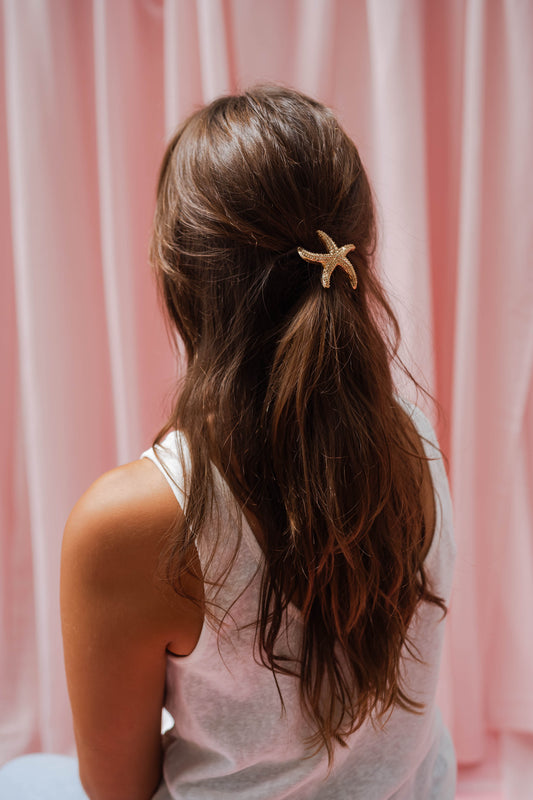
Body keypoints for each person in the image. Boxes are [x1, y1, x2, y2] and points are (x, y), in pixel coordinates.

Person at [0, 85, 456, 799]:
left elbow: (117, 788)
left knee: (20, 776)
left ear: (179, 277)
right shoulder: (415, 437)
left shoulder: (131, 522)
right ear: (358, 250)